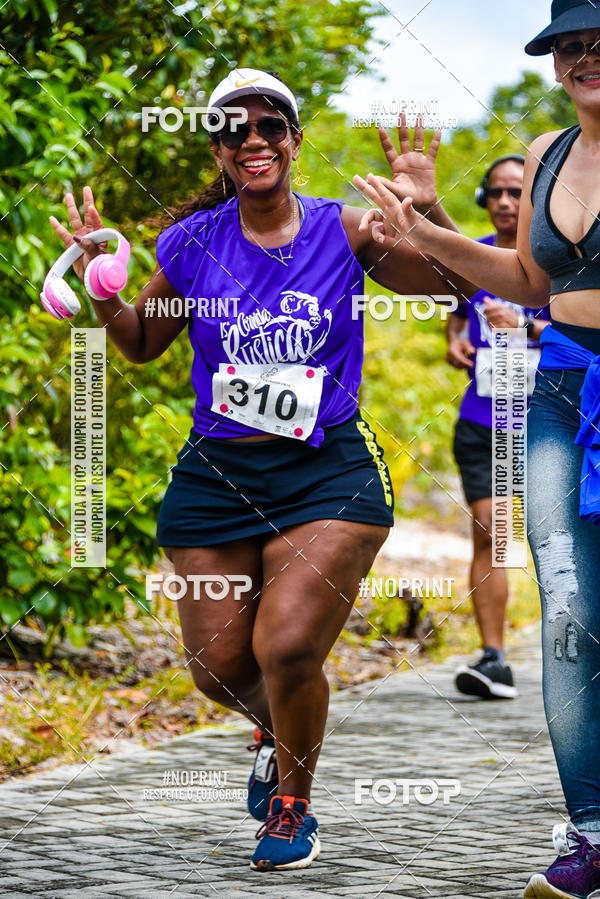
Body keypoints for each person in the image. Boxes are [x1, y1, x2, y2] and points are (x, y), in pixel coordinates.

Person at [49, 69, 474, 872]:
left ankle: (291, 800)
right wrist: (99, 282)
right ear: (218, 149)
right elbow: (142, 342)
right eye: (234, 129)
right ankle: (278, 727)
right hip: (219, 475)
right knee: (218, 666)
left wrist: (427, 214)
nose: (254, 139)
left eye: (270, 126)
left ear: (294, 141)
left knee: (284, 649)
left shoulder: (346, 231)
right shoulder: (191, 244)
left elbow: (458, 281)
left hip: (328, 476)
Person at [354, 1, 600, 894]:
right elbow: (530, 280)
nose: (584, 57)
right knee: (569, 615)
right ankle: (592, 831)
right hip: (560, 387)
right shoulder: (546, 155)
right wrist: (426, 229)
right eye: (569, 45)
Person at [448, 155, 550, 701]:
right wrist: (455, 341)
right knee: (495, 533)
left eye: (518, 192)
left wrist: (528, 325)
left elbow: (585, 331)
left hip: (552, 423)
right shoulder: (474, 257)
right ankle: (494, 659)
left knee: (553, 543)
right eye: (497, 193)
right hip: (488, 420)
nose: (507, 202)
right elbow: (456, 317)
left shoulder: (561, 257)